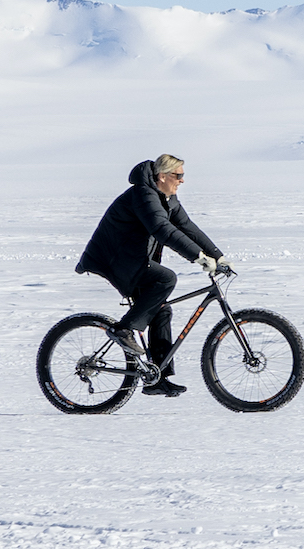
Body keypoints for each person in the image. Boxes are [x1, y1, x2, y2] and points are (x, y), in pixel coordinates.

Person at [75, 154, 230, 398]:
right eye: (178, 176)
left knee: (161, 309)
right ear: (162, 176)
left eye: (182, 176)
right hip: (116, 259)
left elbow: (187, 227)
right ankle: (123, 329)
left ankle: (157, 379)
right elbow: (163, 229)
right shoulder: (144, 195)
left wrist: (217, 256)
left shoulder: (166, 198)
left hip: (132, 259)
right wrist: (198, 257)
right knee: (166, 279)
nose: (181, 181)